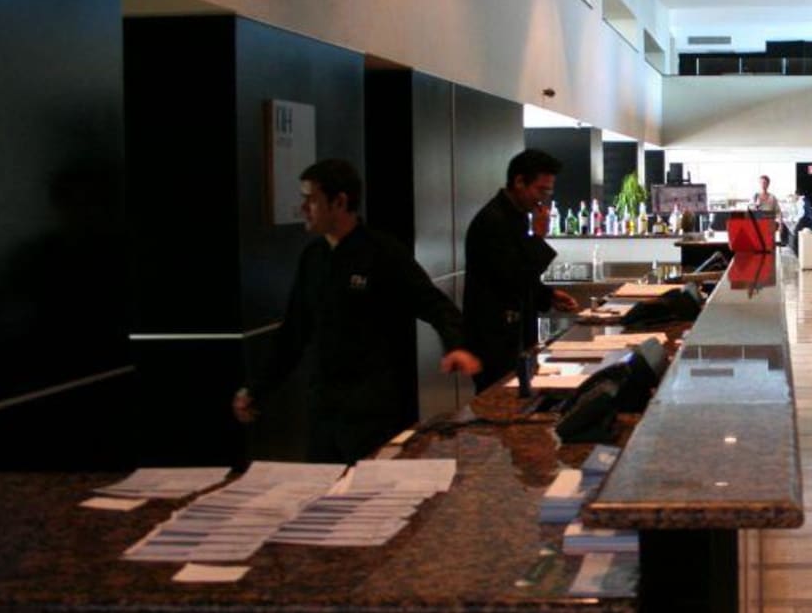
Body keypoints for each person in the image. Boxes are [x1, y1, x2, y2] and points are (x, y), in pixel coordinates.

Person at [232, 159, 480, 463]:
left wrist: (456, 346)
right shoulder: (313, 258)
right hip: (323, 409)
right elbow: (292, 335)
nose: (303, 208)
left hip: (372, 411)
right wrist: (257, 390)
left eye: (311, 199)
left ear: (339, 202)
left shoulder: (382, 252)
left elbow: (434, 304)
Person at [463, 148, 580, 392]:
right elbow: (513, 278)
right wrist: (538, 237)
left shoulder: (515, 215)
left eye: (548, 192)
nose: (543, 199)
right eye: (541, 190)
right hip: (495, 337)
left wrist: (546, 295)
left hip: (513, 332)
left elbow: (519, 269)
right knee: (500, 398)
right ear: (519, 182)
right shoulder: (493, 220)